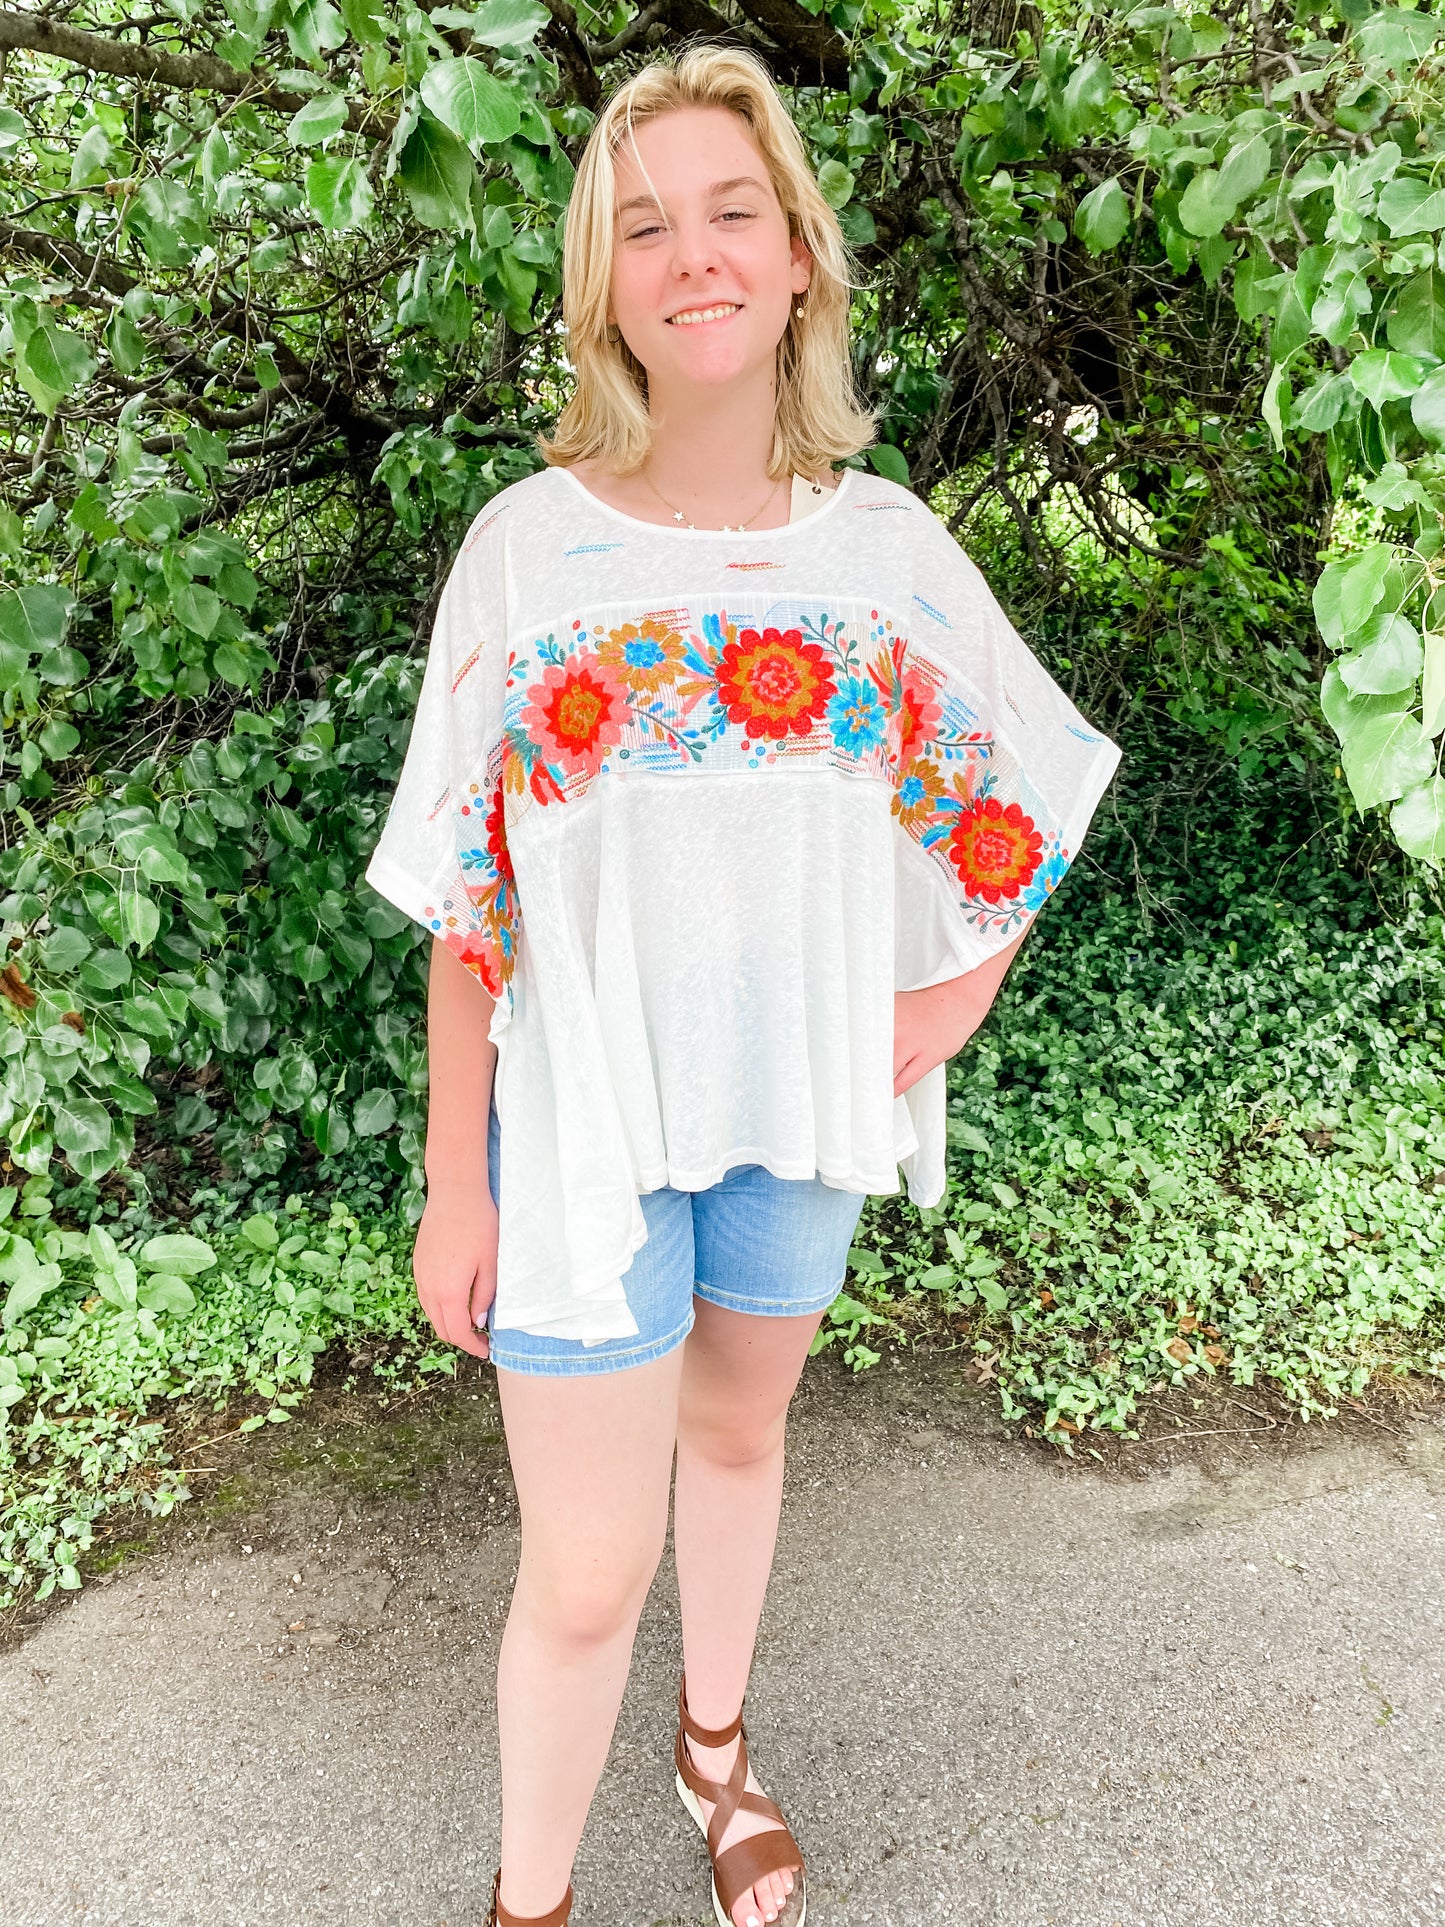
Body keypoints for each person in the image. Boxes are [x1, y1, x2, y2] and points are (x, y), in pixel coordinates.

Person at [363, 43, 1121, 1927]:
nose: (692, 254)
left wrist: (939, 1010)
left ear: (796, 256)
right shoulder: (529, 556)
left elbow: (1018, 790)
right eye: (645, 225)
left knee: (741, 1431)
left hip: (793, 1110)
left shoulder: (876, 557)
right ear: (605, 285)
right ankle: (526, 1901)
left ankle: (717, 1756)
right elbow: (476, 894)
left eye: (730, 211)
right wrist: (460, 1174)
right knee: (584, 1572)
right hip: (586, 1130)